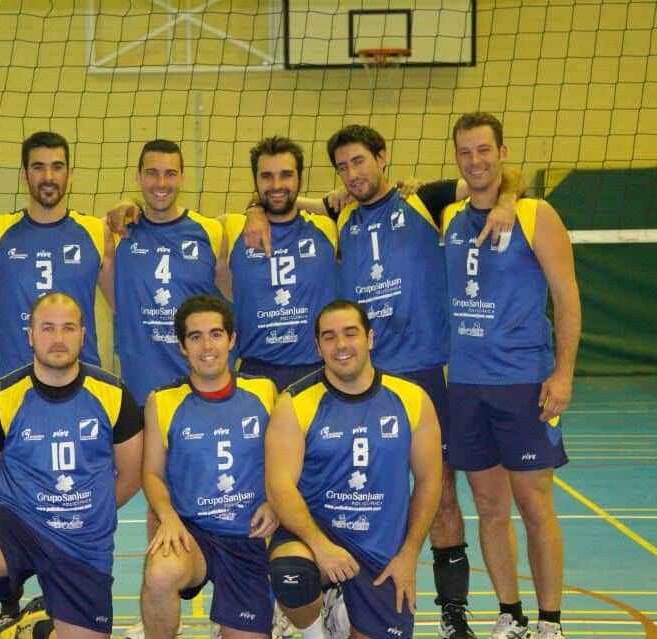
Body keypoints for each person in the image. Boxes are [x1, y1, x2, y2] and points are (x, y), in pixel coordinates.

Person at [244, 125, 523, 639]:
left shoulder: (426, 200)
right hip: (354, 373)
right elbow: (275, 194)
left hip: (417, 372)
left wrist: (506, 200)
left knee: (439, 496)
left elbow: (503, 178)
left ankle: (452, 611)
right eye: (344, 167)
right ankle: (317, 593)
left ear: (382, 158)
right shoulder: (338, 212)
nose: (353, 174)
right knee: (336, 484)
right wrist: (253, 210)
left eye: (360, 162)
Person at [0, 292, 144, 639]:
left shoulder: (113, 395)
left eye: (68, 328)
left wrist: (85, 511)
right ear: (31, 335)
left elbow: (130, 476)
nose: (58, 339)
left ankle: (33, 629)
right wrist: (29, 508)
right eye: (48, 328)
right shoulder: (3, 397)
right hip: (19, 527)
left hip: (83, 542)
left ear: (83, 335)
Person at [442, 112, 580, 639]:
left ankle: (550, 622)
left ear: (502, 153)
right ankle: (511, 614)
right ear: (457, 159)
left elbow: (567, 298)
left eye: (484, 150)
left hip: (524, 384)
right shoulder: (451, 215)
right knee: (490, 507)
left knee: (534, 504)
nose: (475, 161)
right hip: (468, 388)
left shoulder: (534, 214)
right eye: (465, 152)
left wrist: (563, 375)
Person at [264, 300, 443, 639]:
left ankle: (338, 603)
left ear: (370, 338)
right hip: (315, 532)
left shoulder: (411, 398)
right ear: (318, 347)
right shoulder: (296, 402)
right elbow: (279, 486)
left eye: (350, 333)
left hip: (380, 549)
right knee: (292, 573)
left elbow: (429, 480)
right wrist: (319, 544)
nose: (341, 345)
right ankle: (316, 628)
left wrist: (408, 554)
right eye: (329, 337)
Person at [140, 295, 278, 639]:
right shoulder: (164, 401)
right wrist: (169, 517)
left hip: (249, 537)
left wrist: (276, 501)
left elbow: (286, 461)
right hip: (193, 534)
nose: (207, 346)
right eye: (195, 336)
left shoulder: (263, 392)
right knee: (159, 575)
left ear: (232, 339)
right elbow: (152, 474)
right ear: (183, 346)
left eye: (216, 334)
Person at [111, 139, 232, 406]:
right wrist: (126, 202)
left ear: (182, 178)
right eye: (152, 173)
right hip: (142, 394)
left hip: (201, 390)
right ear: (138, 177)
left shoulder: (211, 232)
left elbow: (233, 299)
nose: (161, 183)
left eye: (170, 174)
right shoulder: (117, 234)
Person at [0, 131, 115, 378]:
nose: (48, 177)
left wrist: (133, 204)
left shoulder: (97, 232)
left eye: (57, 167)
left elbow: (124, 304)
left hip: (82, 380)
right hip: (14, 380)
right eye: (38, 167)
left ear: (70, 174)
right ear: (24, 175)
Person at [225, 136, 341, 391]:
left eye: (286, 175)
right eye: (266, 176)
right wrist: (130, 204)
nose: (276, 184)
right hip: (256, 375)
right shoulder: (231, 229)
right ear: (255, 180)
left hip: (318, 371)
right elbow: (170, 217)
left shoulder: (328, 228)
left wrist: (257, 205)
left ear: (300, 178)